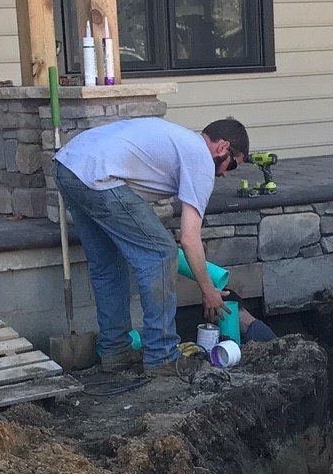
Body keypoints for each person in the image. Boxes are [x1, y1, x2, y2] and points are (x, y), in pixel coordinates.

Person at [55, 115, 250, 372]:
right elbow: (189, 238)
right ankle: (162, 355)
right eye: (232, 165)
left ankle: (115, 350)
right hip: (96, 174)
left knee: (107, 263)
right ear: (223, 148)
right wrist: (208, 290)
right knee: (161, 253)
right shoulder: (201, 159)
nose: (225, 174)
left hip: (68, 165)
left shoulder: (181, 141)